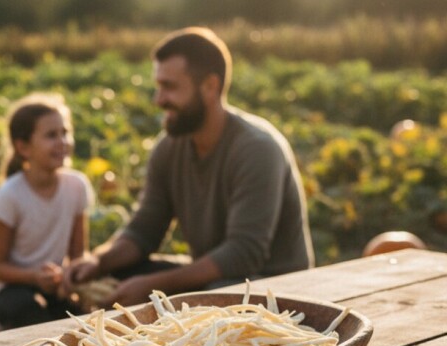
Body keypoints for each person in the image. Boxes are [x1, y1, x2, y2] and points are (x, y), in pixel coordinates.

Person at [64, 27, 314, 307]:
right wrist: (98, 261)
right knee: (119, 272)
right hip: (219, 279)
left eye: (169, 87)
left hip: (273, 288)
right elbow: (144, 230)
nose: (158, 100)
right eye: (158, 86)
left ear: (210, 86)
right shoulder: (169, 147)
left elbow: (244, 253)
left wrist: (153, 286)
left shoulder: (257, 149)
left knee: (217, 292)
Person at [0, 93, 95, 329]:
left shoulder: (77, 186)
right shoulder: (10, 195)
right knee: (28, 312)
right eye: (51, 135)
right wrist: (34, 277)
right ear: (23, 147)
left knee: (79, 324)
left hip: (53, 284)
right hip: (12, 286)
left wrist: (69, 277)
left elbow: (78, 254)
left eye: (65, 132)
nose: (62, 141)